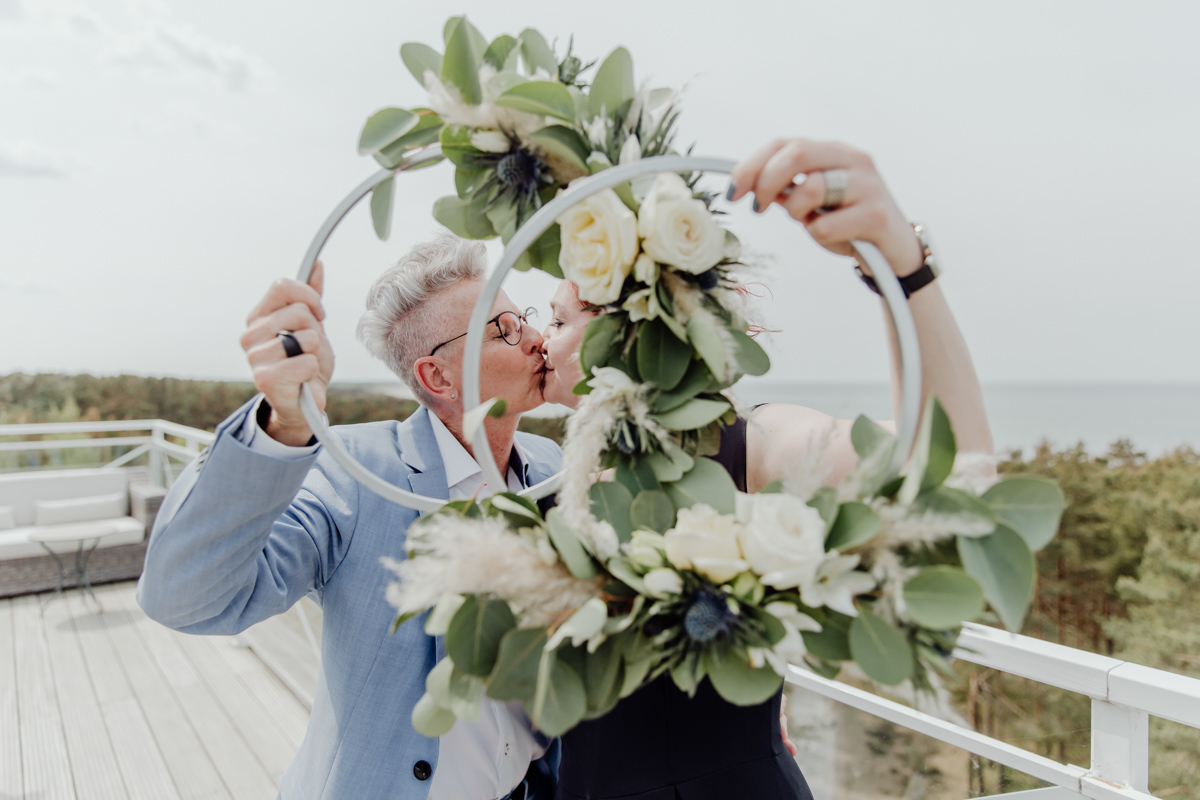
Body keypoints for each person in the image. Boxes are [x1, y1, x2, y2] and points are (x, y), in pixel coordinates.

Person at [538, 138, 993, 799]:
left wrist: (901, 267)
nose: (539, 338)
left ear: (625, 327)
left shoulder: (744, 445)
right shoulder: (545, 475)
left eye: (555, 318)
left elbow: (951, 473)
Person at [137, 235, 562, 800]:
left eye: (526, 317)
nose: (536, 338)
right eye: (505, 328)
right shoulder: (356, 474)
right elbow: (186, 598)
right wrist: (284, 425)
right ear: (438, 377)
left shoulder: (554, 467)